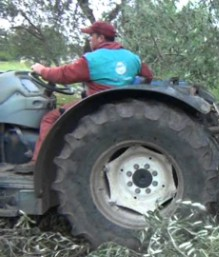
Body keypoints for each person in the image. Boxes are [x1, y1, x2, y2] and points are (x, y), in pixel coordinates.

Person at [14, 21, 153, 174]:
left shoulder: (91, 60)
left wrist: (41, 69)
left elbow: (62, 75)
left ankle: (37, 163)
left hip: (96, 106)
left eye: (91, 36)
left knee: (49, 119)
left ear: (100, 37)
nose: (90, 40)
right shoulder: (132, 58)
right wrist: (130, 84)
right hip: (120, 105)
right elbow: (148, 76)